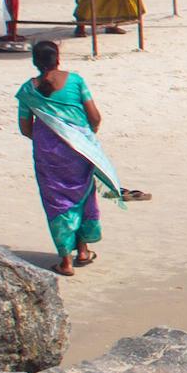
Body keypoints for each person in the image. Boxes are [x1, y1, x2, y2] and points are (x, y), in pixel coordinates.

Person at [15, 38, 117, 273]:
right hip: (78, 150)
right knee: (83, 194)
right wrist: (86, 137)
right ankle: (82, 250)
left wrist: (46, 142)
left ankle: (66, 260)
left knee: (56, 202)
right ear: (57, 58)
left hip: (48, 153)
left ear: (35, 62)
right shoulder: (76, 81)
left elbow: (25, 128)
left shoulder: (27, 90)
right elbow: (95, 117)